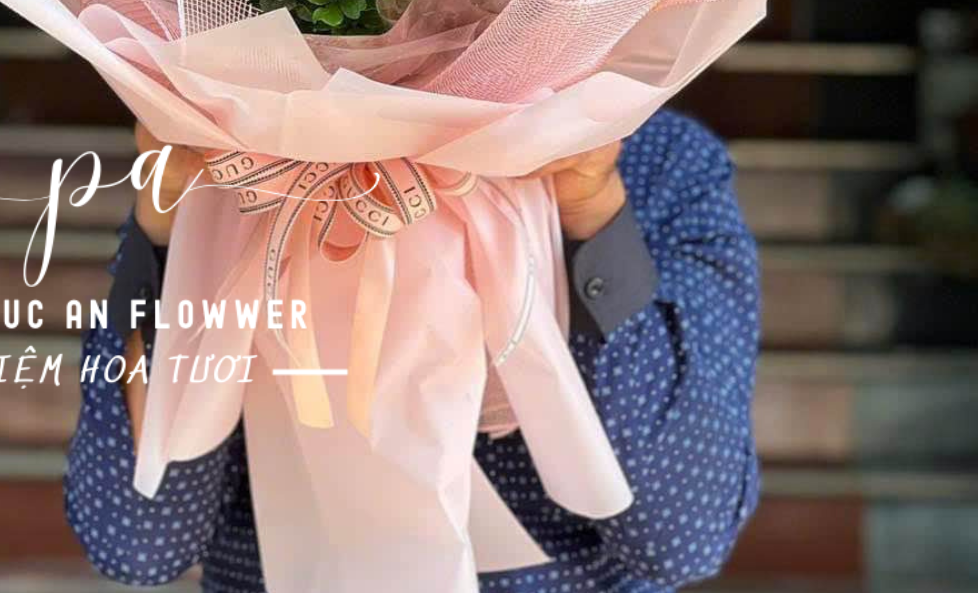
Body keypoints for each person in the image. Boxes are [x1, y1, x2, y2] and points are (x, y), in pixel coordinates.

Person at [64, 111, 760, 591]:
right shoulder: (242, 153)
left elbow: (682, 534)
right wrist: (168, 224)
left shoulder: (655, 160)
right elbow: (137, 537)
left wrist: (591, 210)